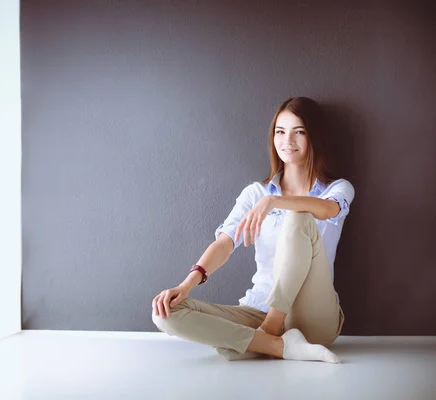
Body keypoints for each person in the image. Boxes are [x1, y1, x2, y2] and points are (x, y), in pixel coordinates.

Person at [151, 97, 354, 363]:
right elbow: (225, 243)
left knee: (298, 218)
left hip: (314, 316)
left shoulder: (338, 189)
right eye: (280, 132)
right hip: (258, 308)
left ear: (315, 136)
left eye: (299, 132)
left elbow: (327, 210)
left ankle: (265, 334)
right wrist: (187, 284)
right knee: (166, 313)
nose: (287, 141)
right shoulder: (254, 193)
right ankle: (279, 346)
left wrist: (274, 201)